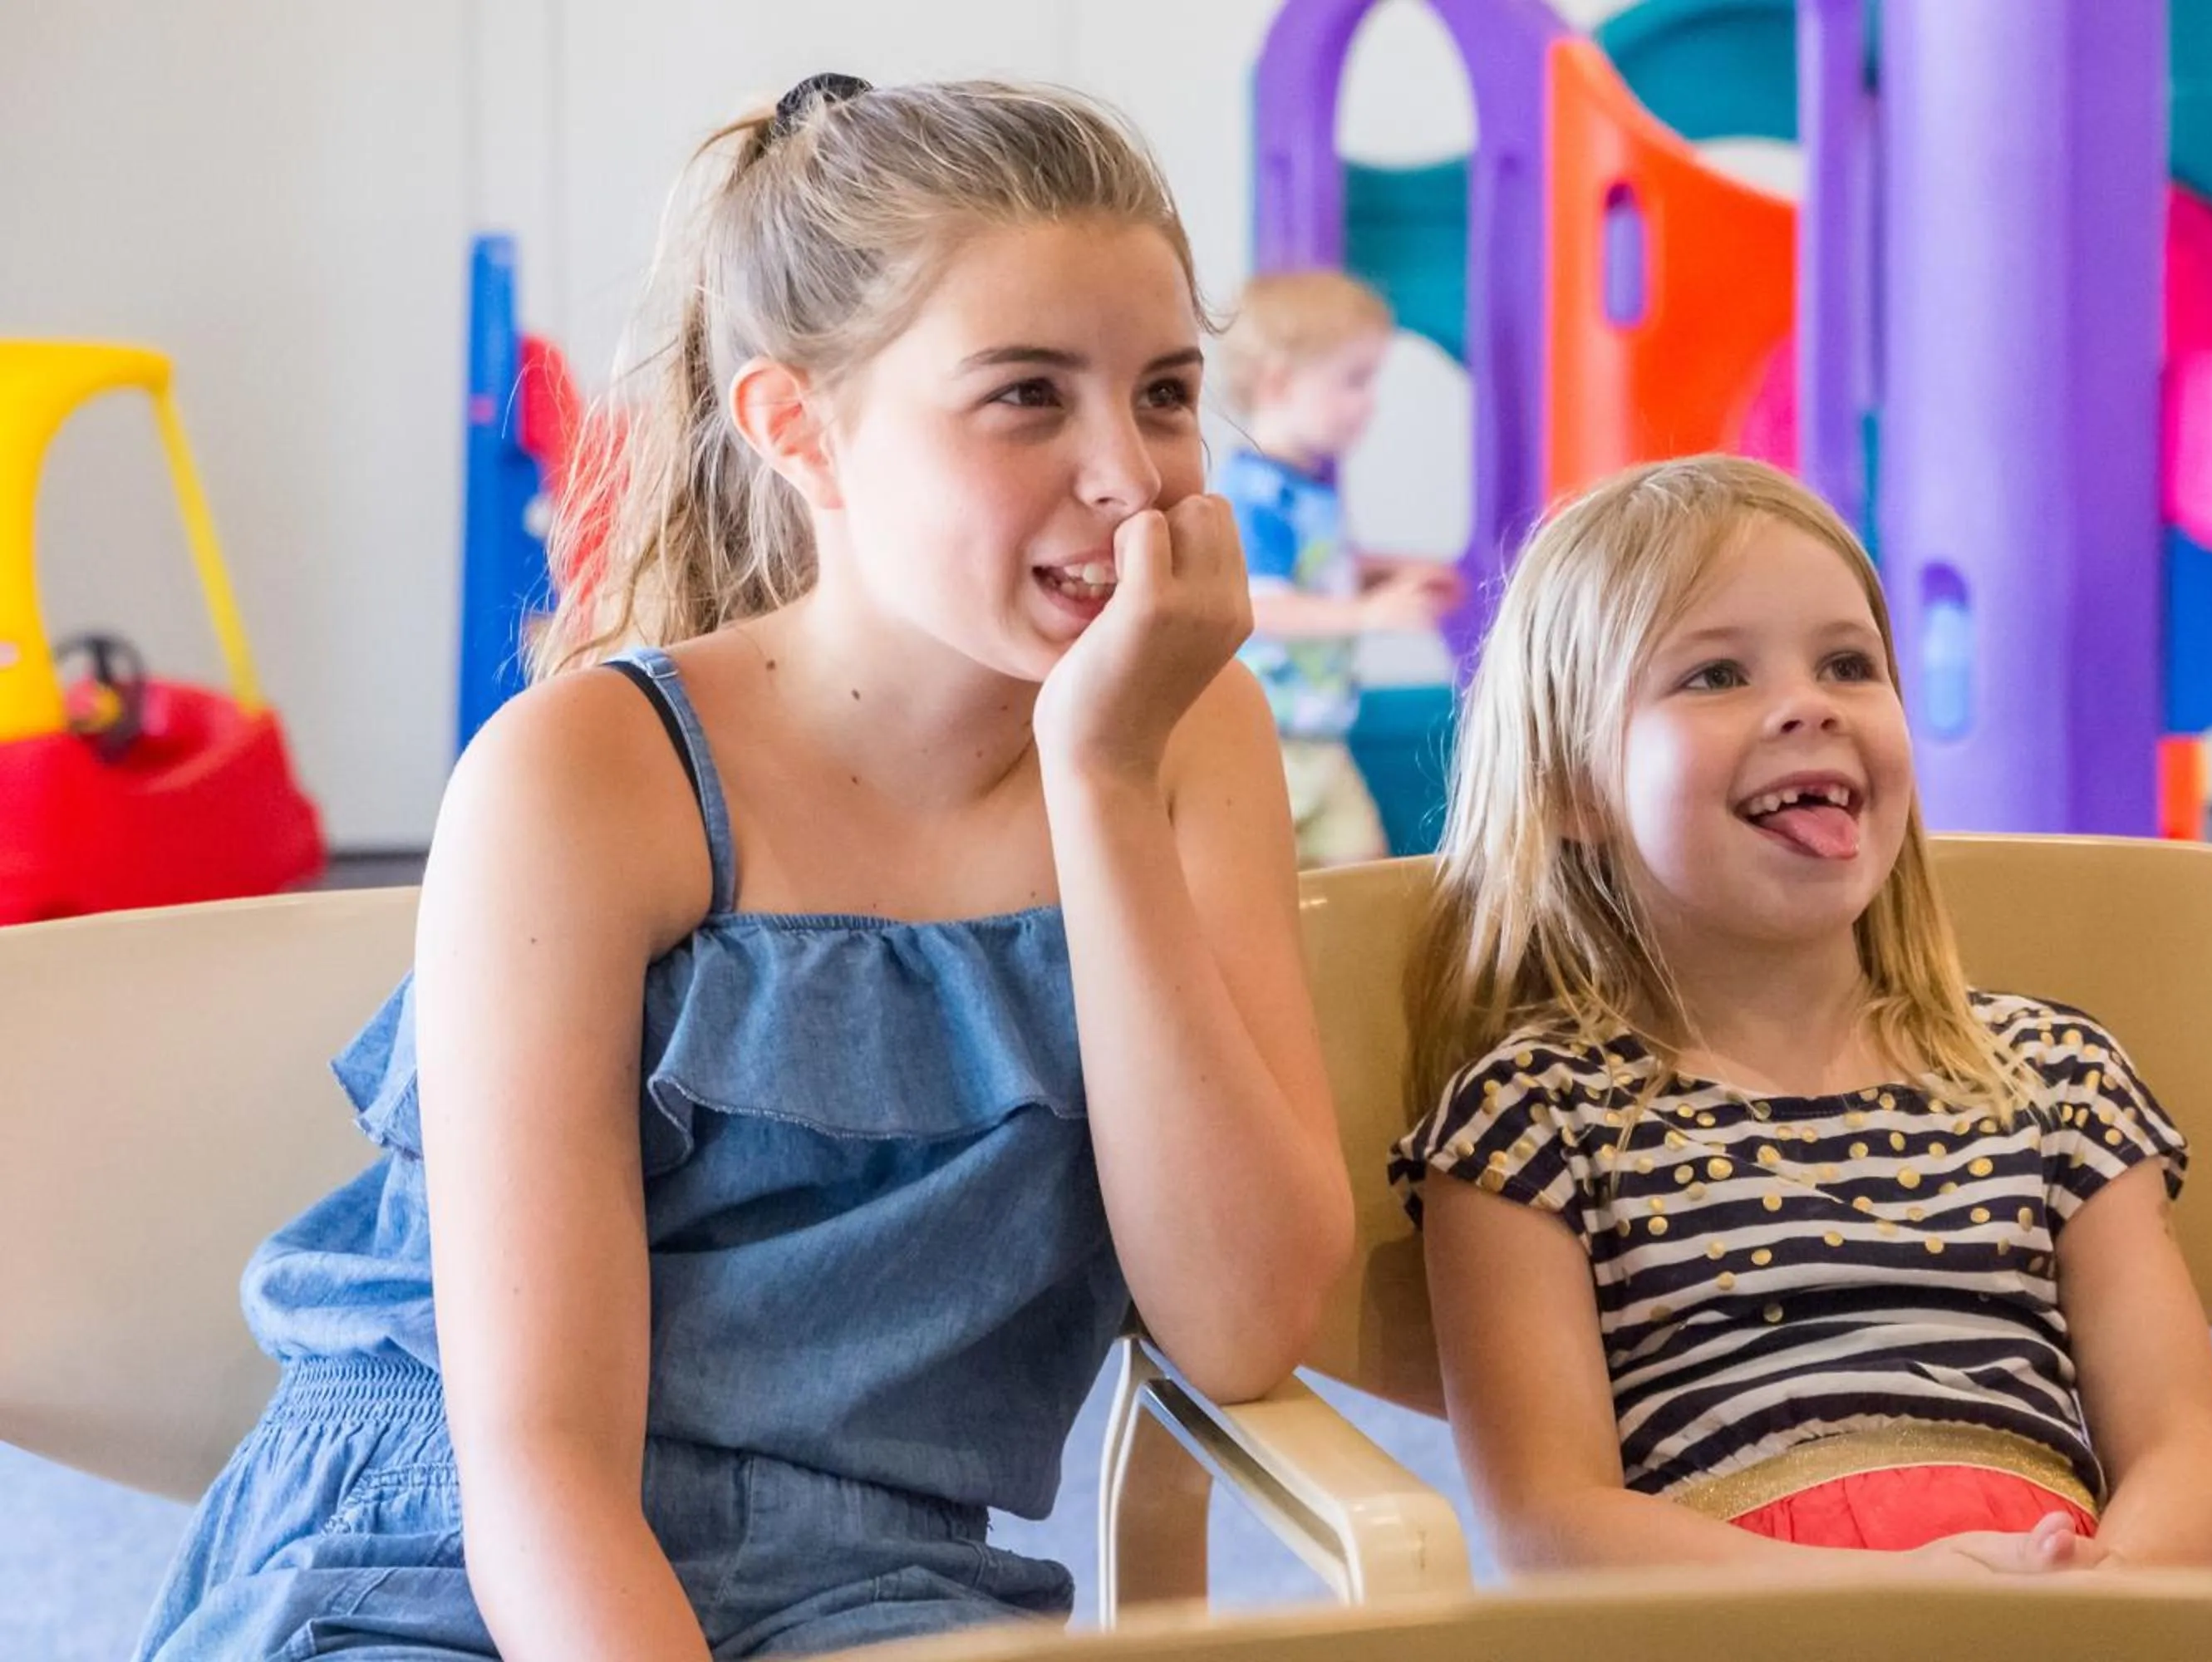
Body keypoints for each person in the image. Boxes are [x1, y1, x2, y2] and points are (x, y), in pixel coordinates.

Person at [135, 75, 1351, 1660]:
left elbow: (1246, 1321)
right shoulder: (587, 777)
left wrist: (1103, 781)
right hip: (446, 1550)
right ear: (802, 431)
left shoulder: (1188, 741)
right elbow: (542, 1464)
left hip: (880, 1580)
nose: (1128, 476)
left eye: (1168, 393)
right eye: (1028, 397)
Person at [1391, 455, 2212, 1575]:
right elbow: (1551, 1524)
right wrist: (1891, 1603)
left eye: (1849, 663)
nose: (1809, 704)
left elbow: (2190, 1455)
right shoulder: (1531, 1118)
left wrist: (2105, 1605)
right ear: (1573, 789)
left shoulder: (2057, 1077)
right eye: (1714, 676)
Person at [1212, 269, 1459, 867]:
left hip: (1320, 741)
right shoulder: (1256, 496)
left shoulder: (1308, 487)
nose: (1368, 403)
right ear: (1277, 383)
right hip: (1264, 742)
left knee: (1363, 868)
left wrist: (1388, 570)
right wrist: (1369, 612)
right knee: (1273, 880)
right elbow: (1259, 607)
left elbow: (1320, 571)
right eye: (1353, 381)